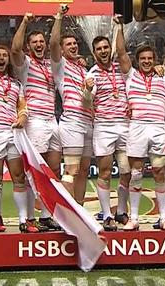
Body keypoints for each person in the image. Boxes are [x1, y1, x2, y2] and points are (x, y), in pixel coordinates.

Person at [0, 9, 37, 234]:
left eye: (5, 56)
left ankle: (23, 220)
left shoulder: (16, 83)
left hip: (13, 133)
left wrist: (22, 118)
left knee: (19, 177)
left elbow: (22, 107)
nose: (2, 58)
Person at [116, 16, 165, 231]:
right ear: (138, 60)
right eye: (142, 58)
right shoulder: (130, 76)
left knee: (160, 171)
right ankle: (134, 218)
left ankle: (163, 218)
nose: (146, 61)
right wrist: (119, 27)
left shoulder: (164, 75)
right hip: (136, 128)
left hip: (158, 128)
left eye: (150, 58)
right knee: (135, 173)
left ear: (154, 59)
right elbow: (121, 53)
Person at [11, 5, 65, 231]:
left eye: (41, 41)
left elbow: (55, 44)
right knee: (34, 171)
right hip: (34, 121)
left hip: (52, 120)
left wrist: (58, 19)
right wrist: (24, 22)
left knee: (53, 171)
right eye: (35, 42)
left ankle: (45, 216)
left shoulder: (51, 65)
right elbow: (14, 50)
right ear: (29, 46)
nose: (40, 45)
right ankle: (28, 218)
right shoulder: (25, 65)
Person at [84, 34, 132, 231]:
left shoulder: (122, 69)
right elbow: (87, 102)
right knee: (104, 172)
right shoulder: (91, 75)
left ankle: (121, 212)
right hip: (104, 127)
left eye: (105, 47)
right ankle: (107, 215)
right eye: (99, 49)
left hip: (125, 125)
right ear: (94, 53)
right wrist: (87, 91)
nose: (103, 51)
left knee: (127, 172)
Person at [52, 26, 93, 204]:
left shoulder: (84, 70)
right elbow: (53, 43)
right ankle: (66, 215)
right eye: (68, 44)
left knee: (84, 170)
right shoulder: (60, 65)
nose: (73, 46)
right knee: (71, 169)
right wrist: (59, 20)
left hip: (88, 122)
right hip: (72, 122)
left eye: (75, 43)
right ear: (61, 49)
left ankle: (80, 210)